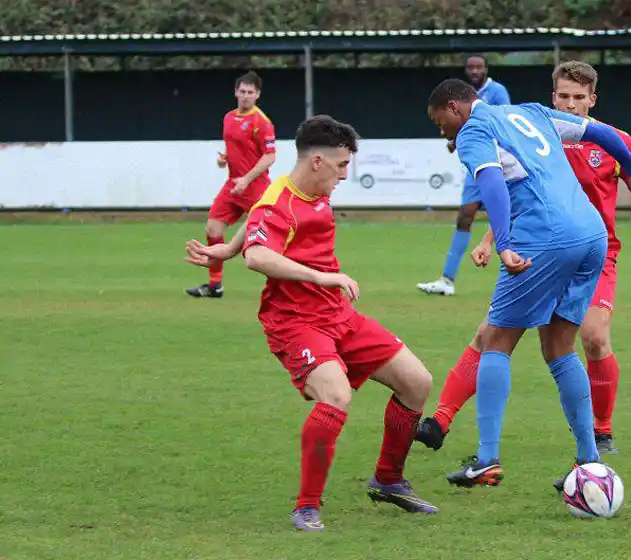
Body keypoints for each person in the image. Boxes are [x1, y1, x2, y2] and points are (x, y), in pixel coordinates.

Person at [184, 115, 439, 531]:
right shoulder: (281, 201)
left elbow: (255, 220)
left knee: (417, 382)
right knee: (335, 394)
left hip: (337, 314)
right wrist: (321, 277)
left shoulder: (305, 189)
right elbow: (258, 256)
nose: (345, 175)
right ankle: (306, 506)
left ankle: (388, 479)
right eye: (341, 165)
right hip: (295, 322)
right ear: (317, 161)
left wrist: (227, 249)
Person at [416, 61, 631, 456]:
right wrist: (490, 239)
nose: (569, 103)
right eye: (563, 95)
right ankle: (442, 419)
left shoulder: (602, 138)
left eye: (578, 97)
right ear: (553, 96)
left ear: (592, 99)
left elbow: (503, 186)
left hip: (574, 247)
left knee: (580, 337)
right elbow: (521, 190)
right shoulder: (538, 123)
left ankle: (587, 435)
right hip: (570, 240)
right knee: (521, 339)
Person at [416, 54, 511, 297]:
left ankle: (510, 267)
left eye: (479, 67)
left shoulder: (497, 92)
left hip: (497, 162)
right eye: (471, 67)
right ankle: (447, 279)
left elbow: (501, 123)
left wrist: (458, 139)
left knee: (510, 212)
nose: (475, 71)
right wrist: (455, 139)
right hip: (476, 165)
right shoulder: (459, 95)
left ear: (486, 69)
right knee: (464, 216)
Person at [185, 70, 277, 298]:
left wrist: (246, 179)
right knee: (212, 229)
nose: (245, 96)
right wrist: (224, 159)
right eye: (242, 91)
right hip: (233, 185)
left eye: (250, 92)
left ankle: (288, 283)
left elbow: (270, 156)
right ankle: (215, 285)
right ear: (236, 92)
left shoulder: (262, 122)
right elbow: (236, 147)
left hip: (255, 187)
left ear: (258, 95)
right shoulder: (228, 117)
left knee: (268, 241)